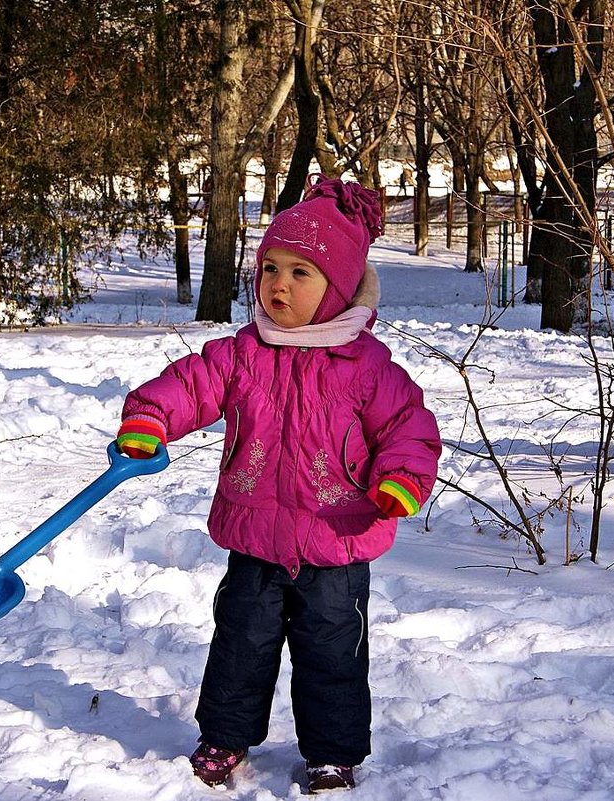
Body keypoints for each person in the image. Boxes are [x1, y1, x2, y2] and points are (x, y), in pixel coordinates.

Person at [115, 177, 441, 793]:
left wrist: (401, 477)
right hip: (256, 536)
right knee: (240, 646)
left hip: (338, 539)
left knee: (333, 654)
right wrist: (149, 418)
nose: (279, 285)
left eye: (301, 272)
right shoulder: (244, 353)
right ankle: (224, 736)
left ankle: (332, 752)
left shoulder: (367, 367)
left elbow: (410, 427)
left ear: (338, 287)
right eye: (270, 268)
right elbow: (191, 384)